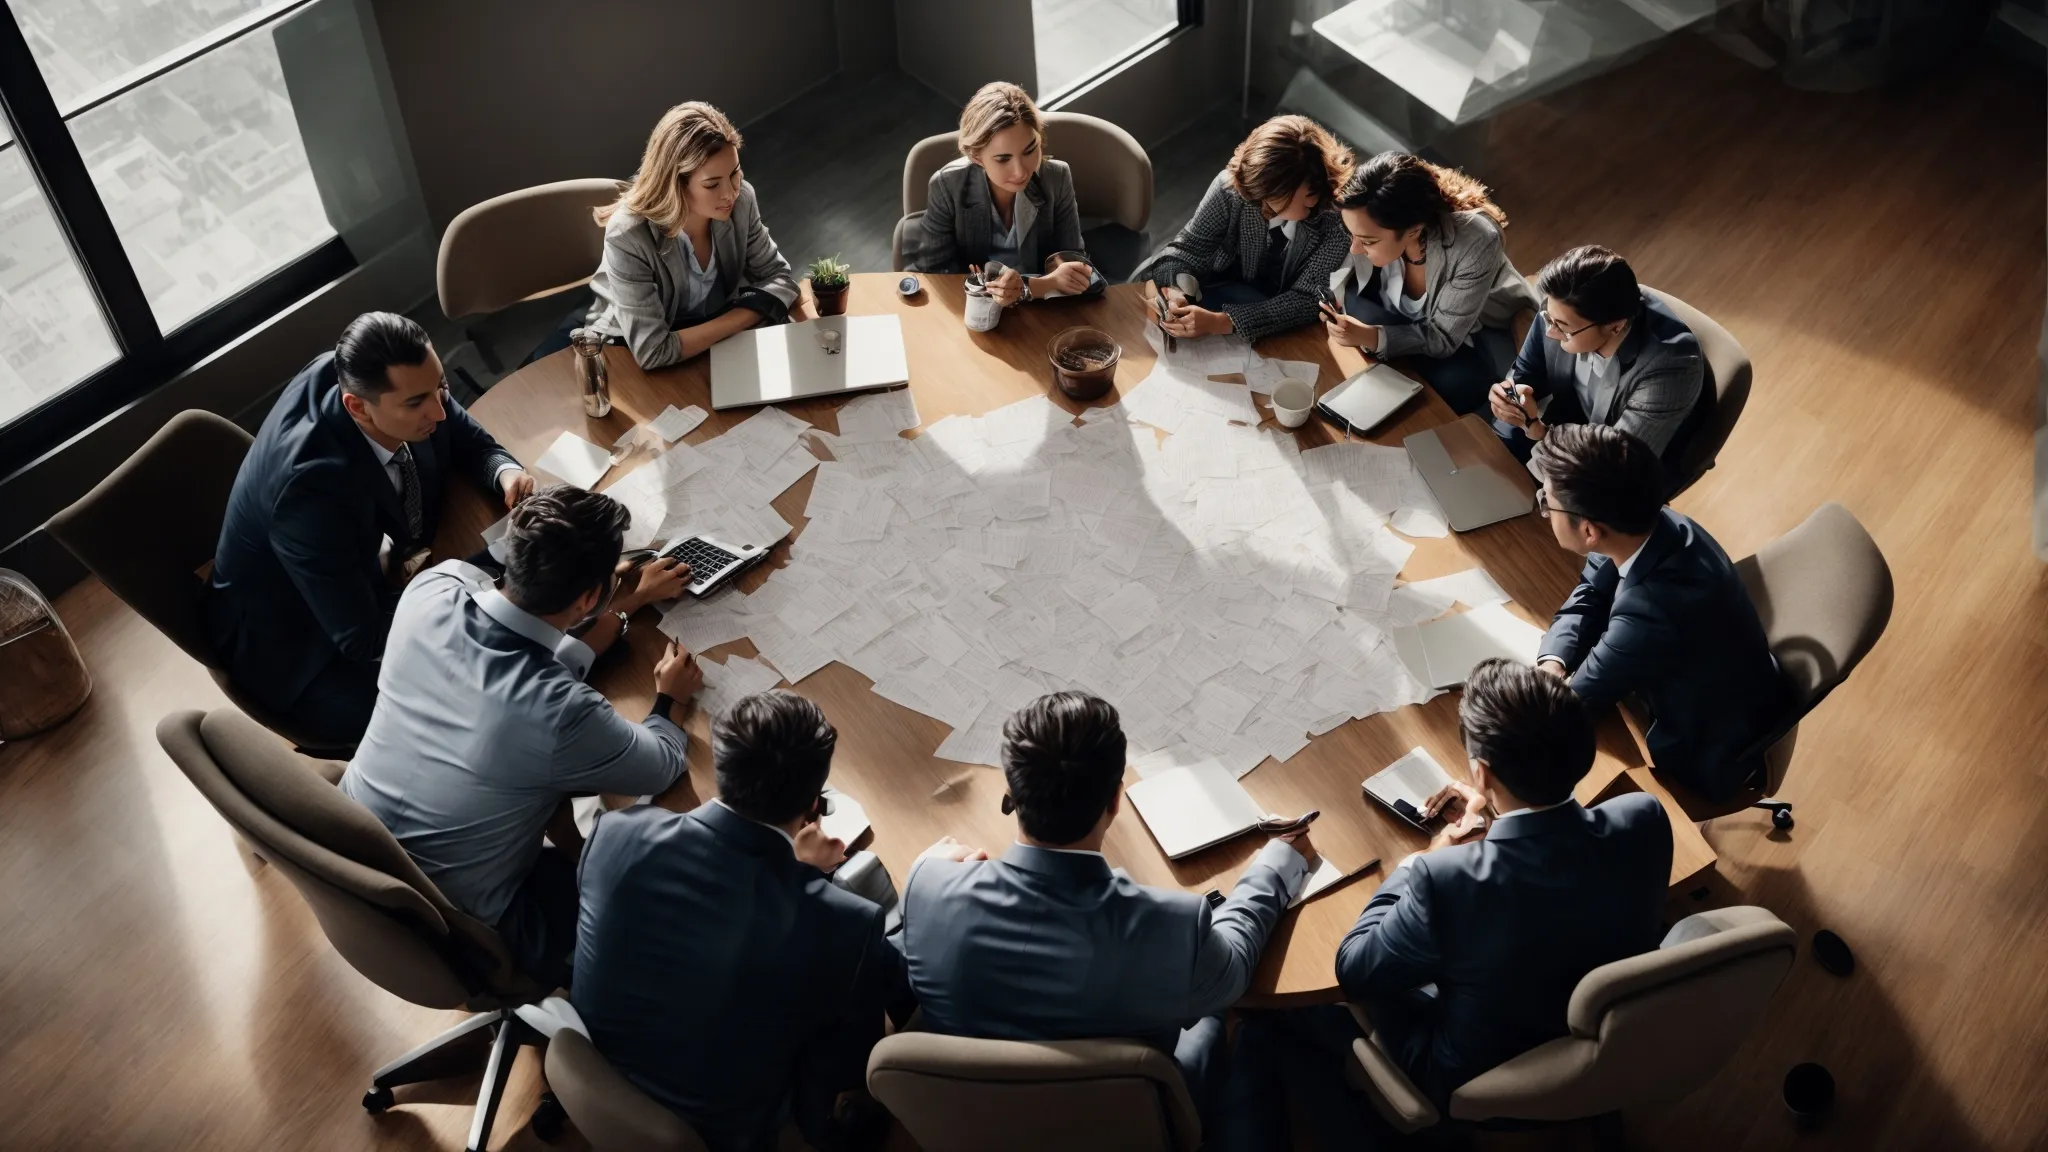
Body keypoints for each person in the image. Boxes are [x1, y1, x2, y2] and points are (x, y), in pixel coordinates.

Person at [1218, 660, 1671, 1150]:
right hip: (1614, 1032)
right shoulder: (1642, 817)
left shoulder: (1446, 880)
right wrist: (1500, 809)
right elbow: (1559, 871)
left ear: (1479, 772)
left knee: (1294, 1005)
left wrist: (1418, 862)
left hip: (1470, 1070)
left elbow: (1354, 968)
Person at [896, 691, 1313, 1127]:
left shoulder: (926, 885)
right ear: (1116, 799)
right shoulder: (1173, 929)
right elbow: (1233, 968)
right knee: (1226, 1016)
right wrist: (1276, 863)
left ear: (1012, 794)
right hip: (1125, 1123)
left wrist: (928, 868)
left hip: (975, 1120)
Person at [340, 485, 700, 988]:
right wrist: (670, 699)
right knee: (674, 901)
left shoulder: (433, 588)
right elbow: (661, 762)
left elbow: (524, 656)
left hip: (350, 856)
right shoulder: (560, 713)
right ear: (590, 596)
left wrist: (631, 600)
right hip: (464, 927)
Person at [574, 690, 902, 1152]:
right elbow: (851, 1069)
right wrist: (808, 883)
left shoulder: (615, 834)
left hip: (600, 1079)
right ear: (814, 803)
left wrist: (794, 874)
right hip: (723, 1129)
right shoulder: (843, 924)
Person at [208, 312, 533, 751]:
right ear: (357, 407)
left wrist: (504, 474)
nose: (439, 410)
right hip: (302, 647)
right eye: (417, 403)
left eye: (440, 386)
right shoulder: (311, 495)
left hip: (362, 569)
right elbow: (363, 637)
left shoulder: (366, 375)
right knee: (479, 713)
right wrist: (504, 554)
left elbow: (462, 435)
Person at [1533, 423, 1789, 800]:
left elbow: (1571, 706)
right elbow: (1590, 592)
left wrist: (1545, 692)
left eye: (1546, 503)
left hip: (1700, 747)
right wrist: (1552, 661)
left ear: (1589, 531)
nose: (1544, 509)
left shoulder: (1651, 610)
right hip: (1713, 679)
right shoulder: (1654, 523)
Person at [573, 101, 802, 370]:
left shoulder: (742, 200)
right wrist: (752, 311)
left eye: (735, 174)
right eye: (712, 184)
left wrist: (740, 315)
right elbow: (653, 351)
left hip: (704, 338)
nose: (730, 193)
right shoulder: (628, 236)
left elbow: (781, 279)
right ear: (676, 183)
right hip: (626, 355)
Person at [1321, 152, 1541, 416]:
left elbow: (1443, 337)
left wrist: (1370, 336)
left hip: (1473, 334)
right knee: (1357, 310)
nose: (1355, 249)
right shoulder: (1370, 215)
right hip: (1414, 323)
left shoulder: (1476, 242)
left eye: (1367, 241)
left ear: (1413, 229)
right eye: (1352, 235)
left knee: (1455, 387)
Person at [1135, 115, 1354, 343]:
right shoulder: (1233, 188)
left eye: (1282, 195)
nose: (1267, 203)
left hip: (1285, 326)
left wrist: (1222, 322)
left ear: (1318, 184)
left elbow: (1308, 299)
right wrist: (1176, 291)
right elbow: (1188, 248)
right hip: (1217, 290)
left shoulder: (1339, 221)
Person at [1488, 245, 1705, 471]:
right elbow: (1525, 371)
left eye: (1561, 327)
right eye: (1548, 319)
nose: (1549, 332)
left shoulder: (1670, 367)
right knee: (1488, 456)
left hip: (1620, 466)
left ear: (1615, 327)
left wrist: (1541, 432)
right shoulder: (1560, 308)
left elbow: (1618, 460)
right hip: (1565, 422)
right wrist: (1511, 396)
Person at [910, 80, 1101, 305]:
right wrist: (1037, 285)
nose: (1021, 171)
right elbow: (933, 272)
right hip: (971, 307)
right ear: (976, 157)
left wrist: (1048, 276)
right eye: (1003, 159)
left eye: (1030, 150)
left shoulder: (1056, 177)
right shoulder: (947, 185)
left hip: (1041, 308)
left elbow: (1074, 260)